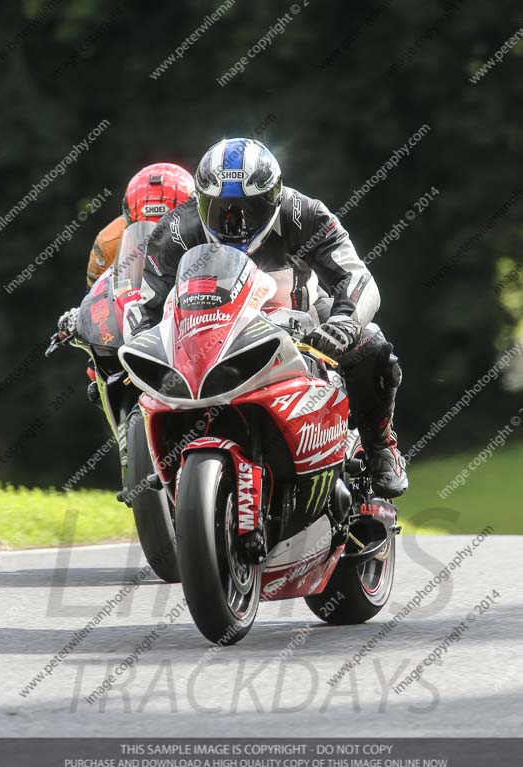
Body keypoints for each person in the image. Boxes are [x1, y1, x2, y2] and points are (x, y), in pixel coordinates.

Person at [126, 139, 408, 499]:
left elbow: (356, 276)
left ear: (273, 198)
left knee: (373, 345)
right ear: (200, 201)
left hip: (303, 317)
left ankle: (380, 446)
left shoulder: (304, 213)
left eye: (249, 208)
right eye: (221, 209)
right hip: (210, 330)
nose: (234, 222)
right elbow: (146, 301)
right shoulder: (176, 231)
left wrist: (343, 323)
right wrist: (141, 341)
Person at [56, 163, 195, 397]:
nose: (158, 239)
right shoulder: (109, 241)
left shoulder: (206, 231)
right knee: (96, 370)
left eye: (166, 228)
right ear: (130, 220)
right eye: (149, 228)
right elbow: (99, 293)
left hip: (189, 310)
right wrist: (81, 317)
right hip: (136, 315)